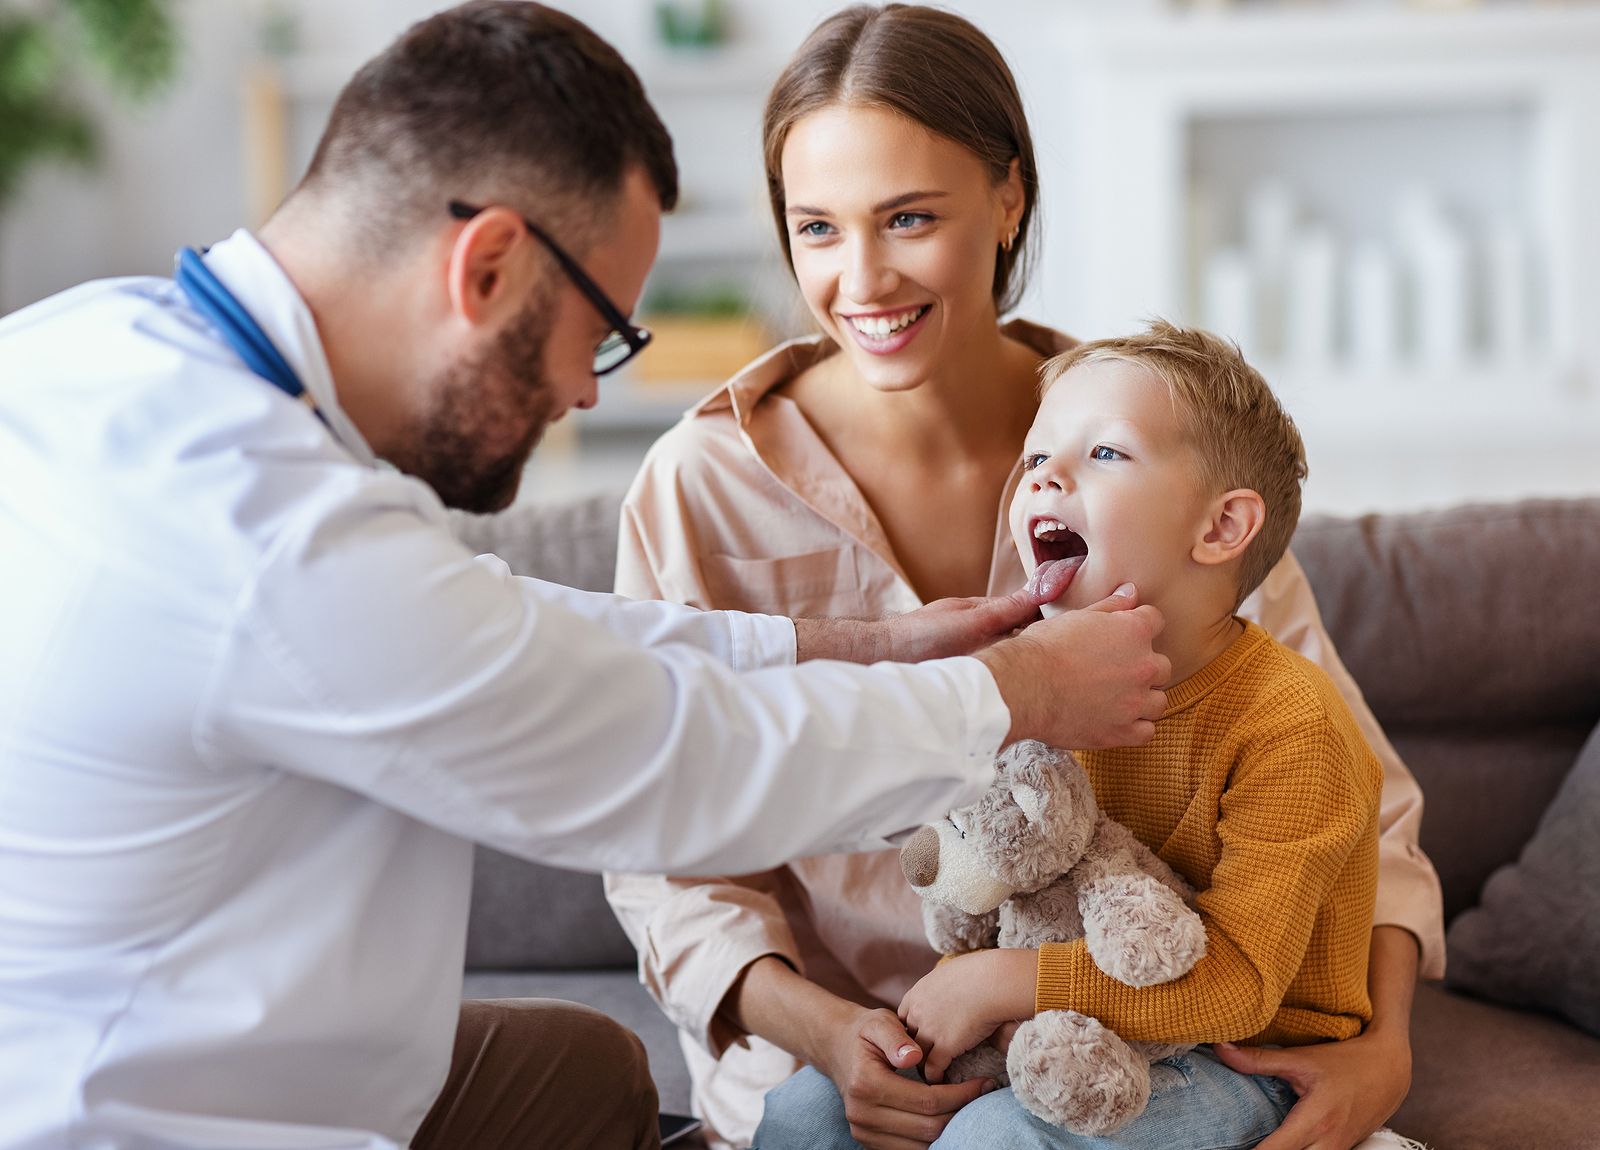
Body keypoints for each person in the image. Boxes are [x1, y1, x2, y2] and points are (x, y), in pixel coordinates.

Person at [0, 5, 1173, 1150]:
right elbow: (667, 762)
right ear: (491, 267)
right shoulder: (275, 545)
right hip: (142, 1106)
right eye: (602, 329)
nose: (585, 393)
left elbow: (501, 630)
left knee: (581, 1068)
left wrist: (854, 642)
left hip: (170, 1025)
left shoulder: (92, 345)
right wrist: (1015, 692)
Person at [603, 6, 1446, 1150]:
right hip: (852, 1053)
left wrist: (1382, 1051)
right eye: (815, 228)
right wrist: (824, 1034)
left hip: (1146, 1048)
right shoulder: (700, 485)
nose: (860, 279)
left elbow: (1359, 804)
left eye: (907, 217)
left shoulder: (1154, 449)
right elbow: (665, 844)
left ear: (1008, 199)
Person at [761, 322, 1386, 1148]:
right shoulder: (1039, 691)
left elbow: (1236, 987)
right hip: (1054, 1021)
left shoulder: (1291, 727)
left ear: (1222, 527)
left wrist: (1001, 984)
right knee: (805, 1113)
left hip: (1244, 1059)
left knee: (995, 1139)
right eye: (1035, 458)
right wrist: (972, 992)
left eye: (1106, 455)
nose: (1045, 477)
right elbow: (1010, 883)